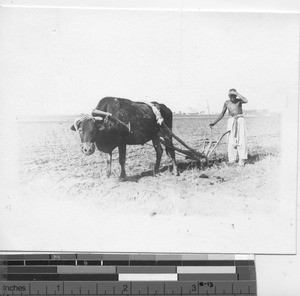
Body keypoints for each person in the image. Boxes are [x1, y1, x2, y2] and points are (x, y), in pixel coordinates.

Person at [209, 89, 248, 166]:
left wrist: (237, 93)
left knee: (241, 139)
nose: (232, 97)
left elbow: (246, 100)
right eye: (230, 95)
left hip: (240, 120)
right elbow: (221, 114)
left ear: (236, 95)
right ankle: (232, 160)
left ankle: (242, 159)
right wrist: (214, 123)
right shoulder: (227, 103)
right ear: (229, 96)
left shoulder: (239, 101)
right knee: (231, 141)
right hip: (231, 121)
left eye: (233, 95)